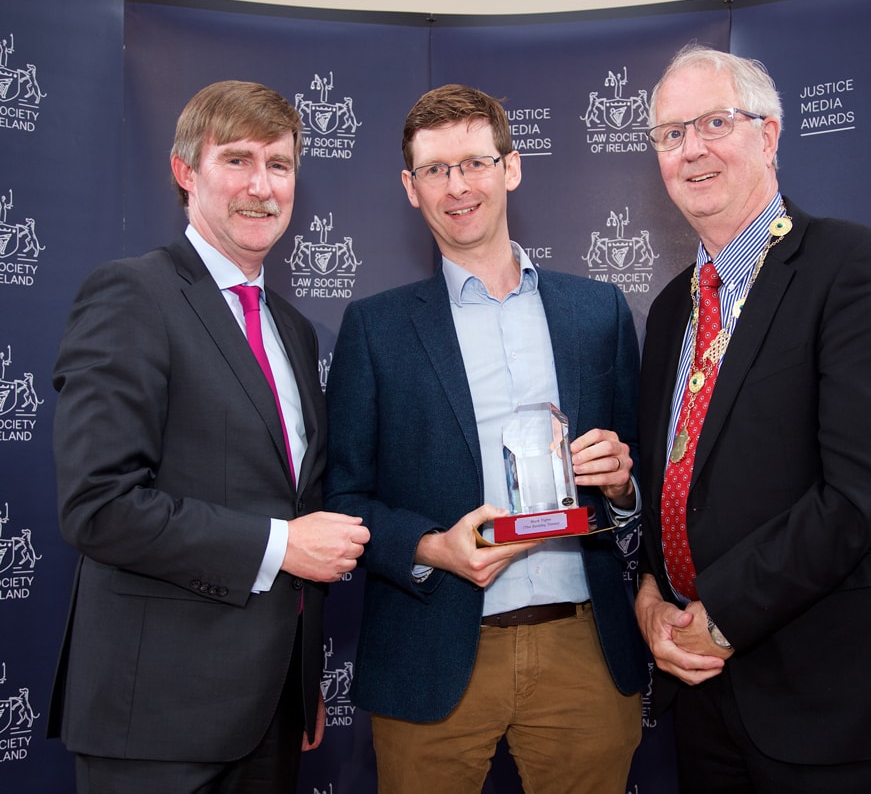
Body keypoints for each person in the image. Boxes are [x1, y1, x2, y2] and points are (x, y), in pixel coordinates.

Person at [634, 44, 871, 793]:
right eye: (670, 133)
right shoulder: (671, 310)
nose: (691, 148)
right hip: (705, 692)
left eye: (714, 123)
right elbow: (678, 479)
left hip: (843, 699)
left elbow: (866, 487)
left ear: (769, 135)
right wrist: (649, 591)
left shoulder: (856, 267)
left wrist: (721, 611)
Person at [47, 80, 370, 794]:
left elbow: (285, 491)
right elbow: (99, 505)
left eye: (279, 165)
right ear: (185, 172)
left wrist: (300, 677)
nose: (261, 186)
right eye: (237, 160)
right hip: (156, 723)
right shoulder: (131, 294)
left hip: (270, 715)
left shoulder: (290, 327)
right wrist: (285, 545)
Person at [323, 83, 645, 794]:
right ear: (411, 188)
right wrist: (429, 547)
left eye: (474, 162)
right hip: (428, 650)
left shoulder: (598, 311)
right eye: (435, 170)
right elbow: (343, 498)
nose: (457, 186)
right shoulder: (375, 329)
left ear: (511, 167)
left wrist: (622, 486)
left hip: (583, 647)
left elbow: (639, 483)